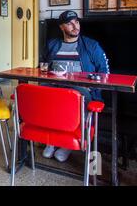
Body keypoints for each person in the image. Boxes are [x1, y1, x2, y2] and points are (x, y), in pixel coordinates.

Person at [40, 10, 109, 162]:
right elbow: (43, 65)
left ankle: (68, 145)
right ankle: (51, 140)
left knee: (74, 100)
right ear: (61, 27)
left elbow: (104, 70)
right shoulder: (52, 44)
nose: (75, 26)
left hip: (81, 90)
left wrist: (94, 86)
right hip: (56, 88)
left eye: (76, 22)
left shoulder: (91, 45)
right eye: (69, 23)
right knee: (41, 96)